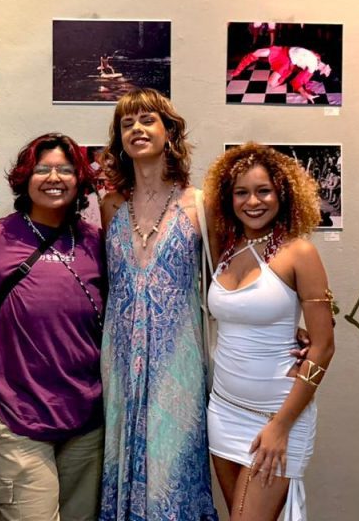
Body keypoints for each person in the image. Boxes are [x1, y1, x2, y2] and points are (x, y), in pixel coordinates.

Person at [0, 133, 106, 521]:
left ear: (79, 180)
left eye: (65, 169)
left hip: (87, 419)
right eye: (42, 169)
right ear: (25, 178)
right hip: (18, 417)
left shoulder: (96, 242)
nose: (54, 178)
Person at [98, 89, 216, 521]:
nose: (137, 129)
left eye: (148, 120)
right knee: (121, 460)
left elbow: (226, 284)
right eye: (127, 123)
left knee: (174, 471)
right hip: (120, 360)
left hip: (178, 362)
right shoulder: (111, 205)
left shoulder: (200, 204)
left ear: (170, 132)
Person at [203, 143, 335, 521]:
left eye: (264, 191)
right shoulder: (225, 248)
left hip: (277, 415)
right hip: (223, 410)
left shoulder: (299, 253)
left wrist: (280, 426)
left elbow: (324, 347)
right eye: (241, 192)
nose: (252, 202)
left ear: (282, 193)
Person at [230, 45, 332, 104]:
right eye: (325, 66)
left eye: (324, 69)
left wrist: (304, 93)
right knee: (258, 52)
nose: (323, 66)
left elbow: (297, 82)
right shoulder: (316, 56)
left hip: (287, 63)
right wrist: (237, 71)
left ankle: (285, 75)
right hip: (282, 51)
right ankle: (238, 70)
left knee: (272, 83)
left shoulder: (312, 67)